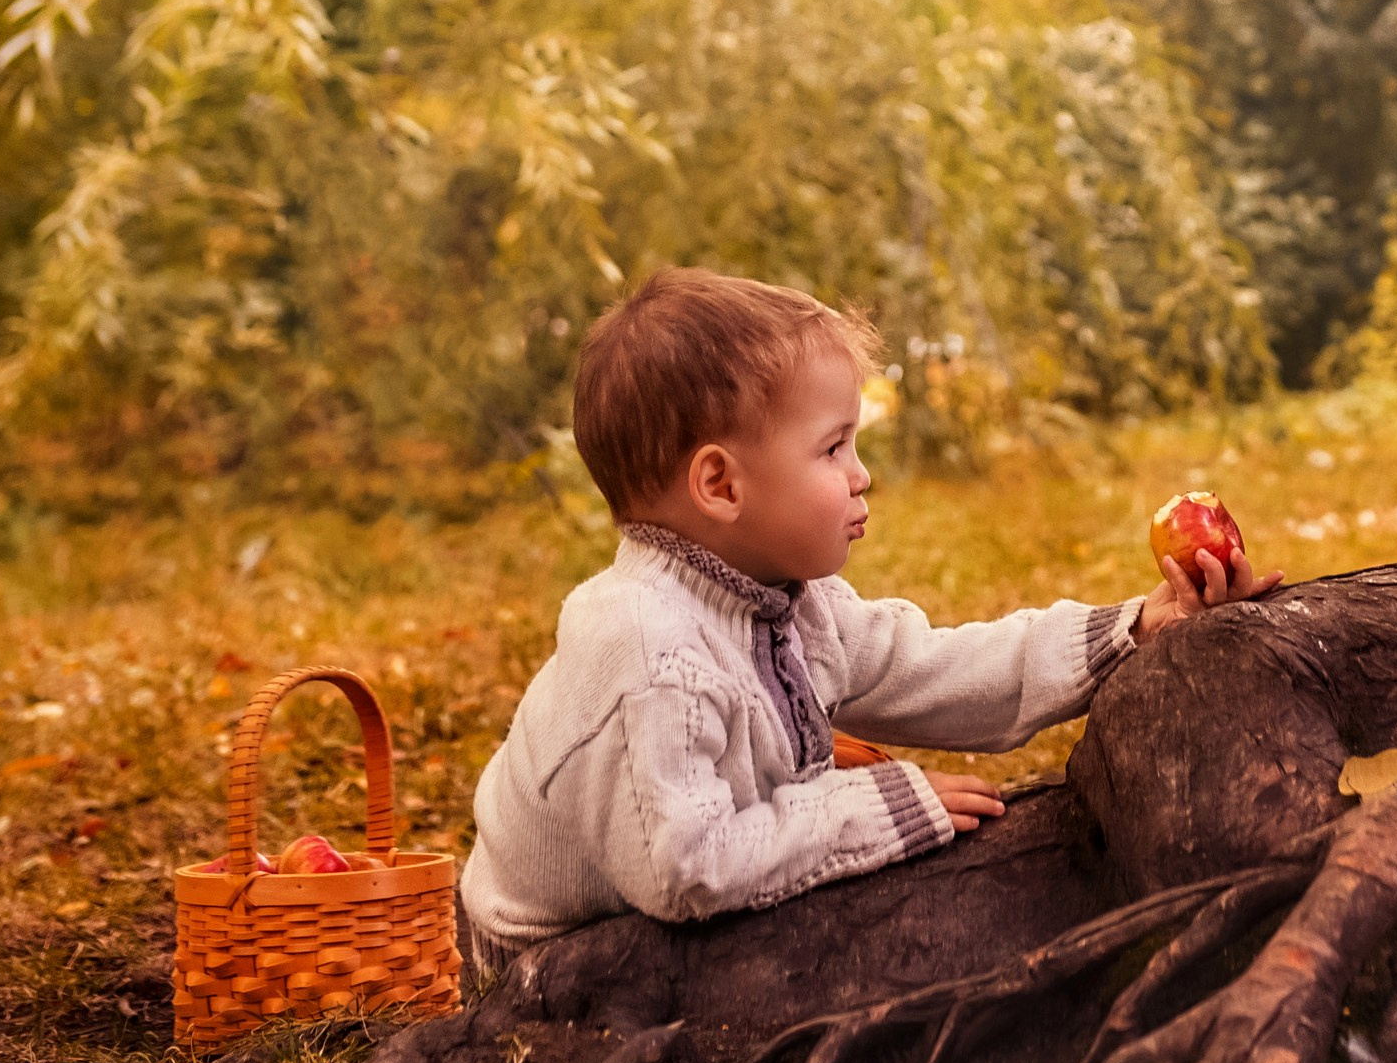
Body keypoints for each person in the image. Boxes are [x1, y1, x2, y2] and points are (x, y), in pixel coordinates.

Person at [459, 263, 1276, 984]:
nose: (863, 475)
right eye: (833, 449)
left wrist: (1130, 629)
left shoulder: (779, 600)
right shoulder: (648, 649)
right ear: (720, 484)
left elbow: (938, 671)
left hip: (656, 901)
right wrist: (872, 809)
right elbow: (684, 868)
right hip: (550, 954)